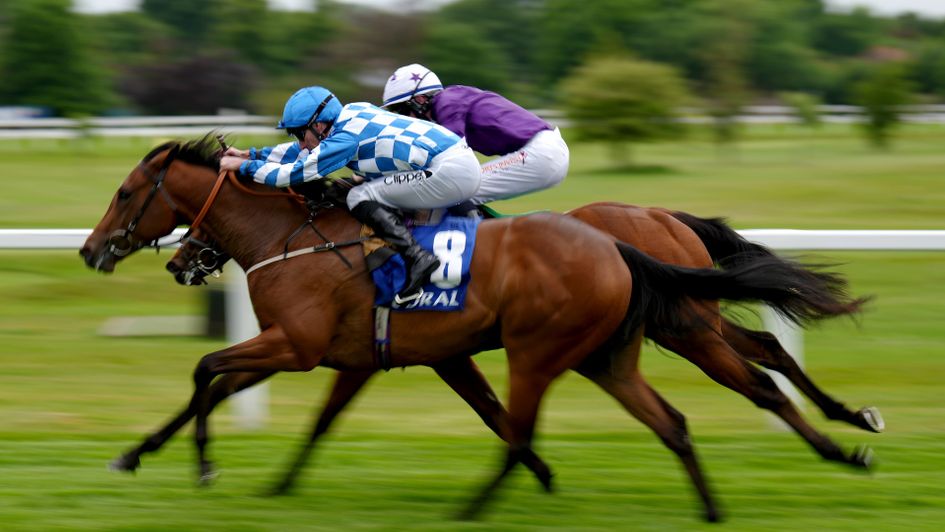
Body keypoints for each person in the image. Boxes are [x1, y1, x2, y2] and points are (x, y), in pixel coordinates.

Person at [220, 86, 482, 303]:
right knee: (366, 190)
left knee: (359, 196)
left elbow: (293, 174)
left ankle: (419, 258)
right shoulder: (351, 113)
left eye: (301, 133)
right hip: (455, 162)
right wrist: (251, 154)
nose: (301, 141)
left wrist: (243, 167)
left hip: (451, 172)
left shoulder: (345, 140)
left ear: (320, 125)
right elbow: (300, 152)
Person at [382, 63, 569, 214]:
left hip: (541, 152)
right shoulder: (449, 101)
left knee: (452, 191)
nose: (402, 118)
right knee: (452, 189)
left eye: (401, 110)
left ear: (420, 100)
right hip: (543, 151)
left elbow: (449, 156)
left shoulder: (447, 102)